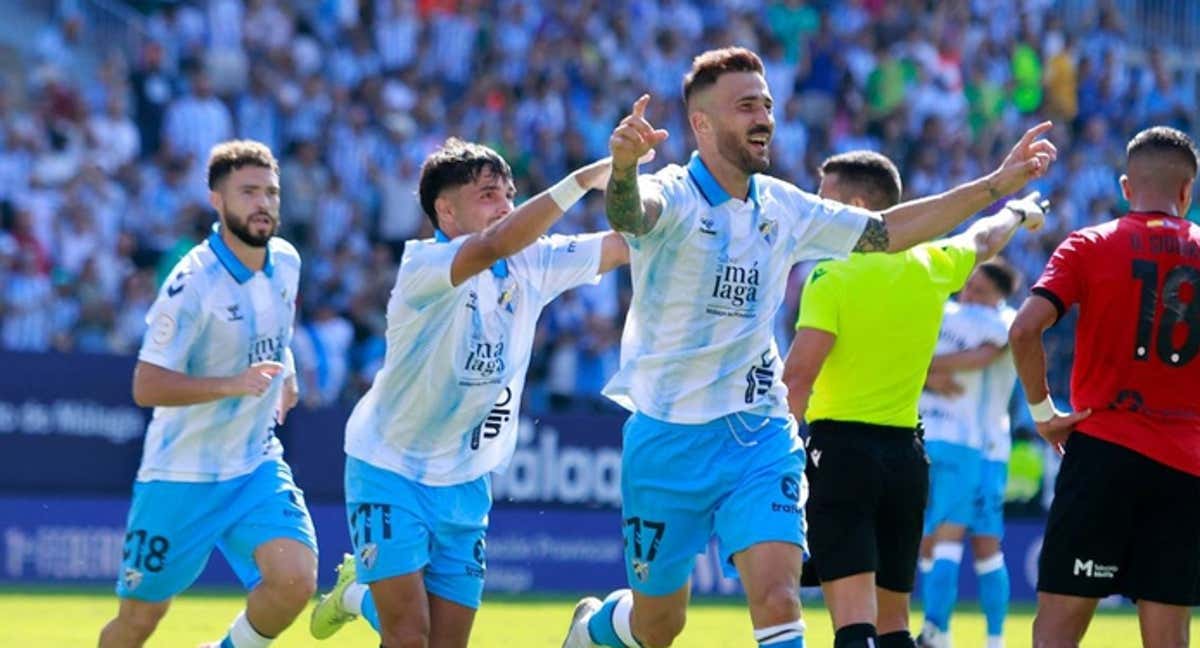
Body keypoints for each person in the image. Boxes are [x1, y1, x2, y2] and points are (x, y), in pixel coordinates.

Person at [563, 46, 1054, 648]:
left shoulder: (783, 205)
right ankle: (593, 632)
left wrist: (996, 186)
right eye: (745, 105)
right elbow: (632, 215)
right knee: (659, 625)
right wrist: (621, 169)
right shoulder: (673, 194)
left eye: (766, 104)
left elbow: (889, 229)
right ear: (701, 123)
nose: (763, 116)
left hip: (758, 434)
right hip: (667, 438)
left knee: (778, 597)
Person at [307, 138, 629, 648]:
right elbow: (494, 244)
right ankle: (362, 595)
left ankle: (355, 595)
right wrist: (585, 179)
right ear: (445, 210)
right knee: (409, 636)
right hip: (390, 467)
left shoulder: (531, 262)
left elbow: (623, 244)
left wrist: (645, 187)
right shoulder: (424, 266)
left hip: (465, 480)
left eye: (509, 194)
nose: (505, 205)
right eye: (488, 195)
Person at [779, 151, 1043, 648]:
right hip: (906, 458)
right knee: (895, 623)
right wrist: (1019, 210)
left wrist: (778, 461)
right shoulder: (932, 264)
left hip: (842, 454)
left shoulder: (830, 276)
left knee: (853, 623)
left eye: (824, 198)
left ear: (857, 206)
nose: (815, 209)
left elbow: (797, 380)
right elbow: (983, 238)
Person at [98, 140, 316, 648]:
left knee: (295, 581)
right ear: (217, 200)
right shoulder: (191, 284)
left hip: (254, 463)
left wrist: (286, 372)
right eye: (247, 192)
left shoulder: (286, 260)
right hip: (180, 476)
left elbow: (275, 328)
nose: (262, 203)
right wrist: (233, 385)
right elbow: (146, 384)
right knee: (137, 623)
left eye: (270, 192)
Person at [1010, 125, 1200, 648]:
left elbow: (1024, 329)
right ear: (1187, 192)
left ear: (1125, 186)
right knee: (1169, 637)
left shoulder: (1089, 244)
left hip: (1102, 451)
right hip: (1186, 463)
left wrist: (1044, 411)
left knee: (1057, 633)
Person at [916, 261, 1021, 648]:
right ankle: (938, 632)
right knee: (931, 539)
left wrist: (925, 367)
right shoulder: (956, 317)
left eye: (978, 290)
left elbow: (985, 356)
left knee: (984, 545)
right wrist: (928, 374)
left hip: (988, 447)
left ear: (998, 295)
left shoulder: (1004, 322)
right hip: (945, 440)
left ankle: (993, 640)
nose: (968, 295)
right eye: (967, 287)